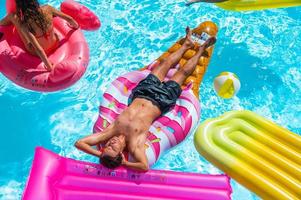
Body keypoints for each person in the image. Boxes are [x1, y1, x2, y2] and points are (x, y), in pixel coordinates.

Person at [75, 27, 216, 171]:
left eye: (106, 147)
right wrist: (124, 164)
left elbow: (79, 143)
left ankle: (187, 44)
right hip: (161, 101)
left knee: (165, 63)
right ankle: (201, 49)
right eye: (113, 148)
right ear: (121, 154)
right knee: (183, 73)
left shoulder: (109, 132)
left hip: (142, 92)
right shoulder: (134, 144)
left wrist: (99, 154)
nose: (110, 143)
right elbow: (144, 167)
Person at [0, 0, 79, 71]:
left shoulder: (25, 24)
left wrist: (49, 66)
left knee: (13, 17)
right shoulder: (48, 8)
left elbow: (39, 49)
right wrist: (76, 26)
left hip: (38, 52)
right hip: (55, 43)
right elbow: (70, 19)